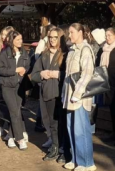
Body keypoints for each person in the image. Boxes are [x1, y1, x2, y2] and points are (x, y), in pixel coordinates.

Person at [61, 23, 96, 171]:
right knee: (71, 128)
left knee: (81, 130)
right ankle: (75, 160)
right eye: (69, 33)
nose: (69, 36)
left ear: (80, 32)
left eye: (72, 32)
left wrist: (77, 94)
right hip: (69, 97)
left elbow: (87, 73)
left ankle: (87, 163)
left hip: (80, 98)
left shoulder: (86, 50)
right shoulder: (72, 50)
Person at [32, 26, 68, 161]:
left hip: (61, 93)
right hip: (47, 93)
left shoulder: (66, 54)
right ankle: (55, 146)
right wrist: (41, 74)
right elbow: (33, 75)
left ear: (60, 38)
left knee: (61, 122)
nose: (52, 40)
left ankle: (63, 148)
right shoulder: (44, 54)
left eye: (55, 37)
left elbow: (72, 74)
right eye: (50, 37)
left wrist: (58, 74)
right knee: (51, 123)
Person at [0, 30, 31, 150]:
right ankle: (20, 139)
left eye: (21, 39)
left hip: (20, 86)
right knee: (14, 112)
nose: (20, 42)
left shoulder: (24, 52)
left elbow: (28, 65)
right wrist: (15, 70)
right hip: (7, 86)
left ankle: (11, 136)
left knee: (16, 111)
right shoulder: (4, 53)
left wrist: (25, 70)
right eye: (18, 40)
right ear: (12, 41)